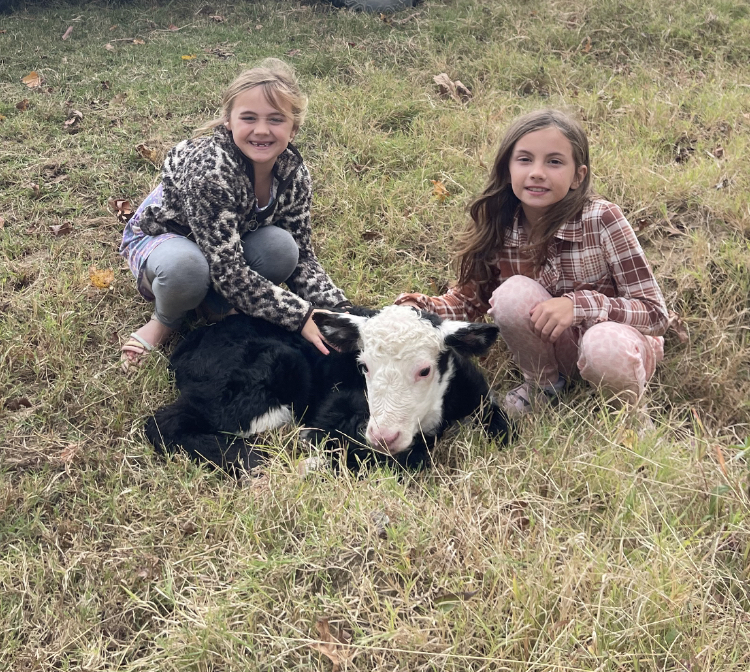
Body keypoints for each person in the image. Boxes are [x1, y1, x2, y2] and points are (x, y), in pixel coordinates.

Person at [396, 109, 668, 417]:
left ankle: (626, 411)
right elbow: (468, 302)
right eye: (525, 159)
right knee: (513, 292)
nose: (537, 172)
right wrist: (416, 312)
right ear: (507, 168)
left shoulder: (602, 219)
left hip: (616, 347)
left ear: (578, 176)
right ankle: (544, 387)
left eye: (554, 162)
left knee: (601, 343)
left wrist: (578, 306)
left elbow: (656, 314)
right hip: (558, 348)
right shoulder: (500, 224)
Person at [119, 58, 350, 373]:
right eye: (249, 117)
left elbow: (304, 258)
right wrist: (301, 316)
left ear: (293, 128)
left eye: (276, 119)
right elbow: (229, 272)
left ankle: (215, 306)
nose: (262, 130)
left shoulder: (294, 176)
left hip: (227, 245)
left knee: (283, 249)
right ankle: (165, 320)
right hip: (167, 236)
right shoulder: (210, 170)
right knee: (186, 269)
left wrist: (341, 313)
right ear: (228, 120)